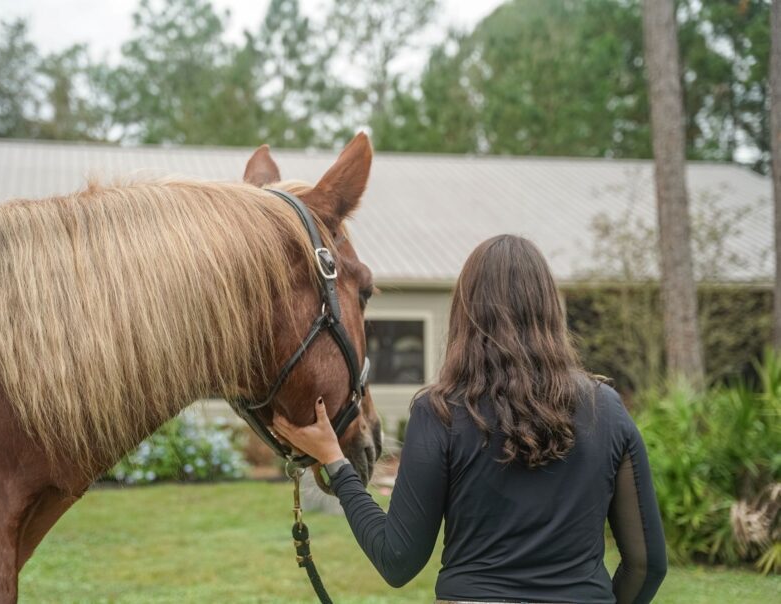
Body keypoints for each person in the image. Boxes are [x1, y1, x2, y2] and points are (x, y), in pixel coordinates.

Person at [273, 234, 667, 604]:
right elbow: (647, 565)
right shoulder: (607, 409)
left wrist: (336, 463)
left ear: (466, 312)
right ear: (550, 310)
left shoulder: (440, 413)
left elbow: (397, 559)